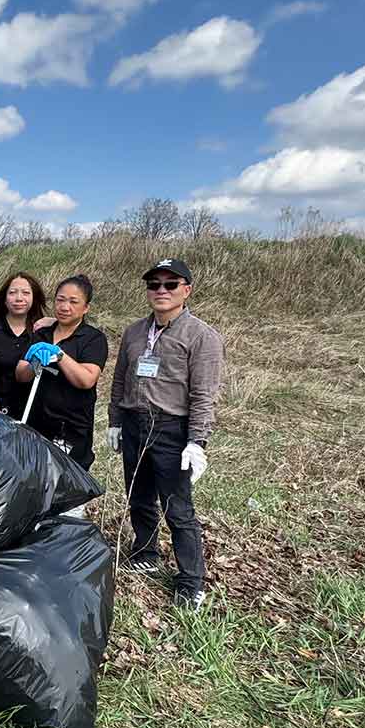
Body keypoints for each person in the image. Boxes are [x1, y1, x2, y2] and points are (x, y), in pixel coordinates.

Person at [108, 257, 224, 606]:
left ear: (186, 290)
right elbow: (119, 380)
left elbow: (204, 393)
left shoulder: (201, 337)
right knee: (139, 495)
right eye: (154, 285)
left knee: (177, 508)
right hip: (134, 423)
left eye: (170, 285)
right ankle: (145, 552)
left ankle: (192, 581)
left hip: (172, 429)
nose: (161, 291)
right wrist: (115, 420)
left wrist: (197, 441)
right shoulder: (133, 332)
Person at [17, 275, 109, 471]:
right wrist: (33, 363)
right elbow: (20, 374)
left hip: (70, 430)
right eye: (60, 300)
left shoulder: (93, 339)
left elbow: (86, 380)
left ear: (86, 308)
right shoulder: (42, 334)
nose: (65, 307)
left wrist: (60, 356)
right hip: (36, 425)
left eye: (73, 302)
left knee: (65, 484)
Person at [0, 271, 47, 418]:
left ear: (34, 298)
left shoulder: (44, 333)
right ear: (5, 299)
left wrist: (53, 322)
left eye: (26, 293)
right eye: (12, 293)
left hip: (33, 416)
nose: (19, 298)